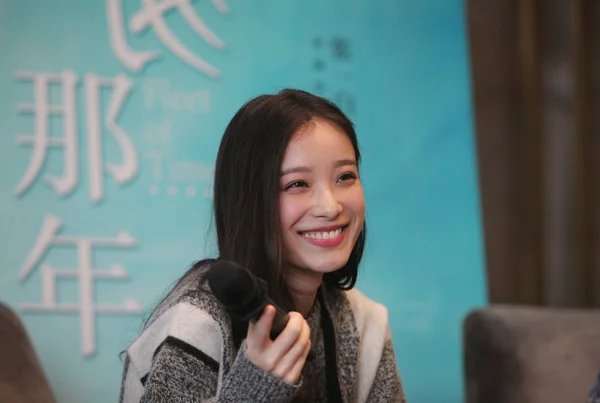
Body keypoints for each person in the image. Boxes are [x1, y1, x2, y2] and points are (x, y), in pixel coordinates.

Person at [119, 89, 406, 402]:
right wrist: (254, 388)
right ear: (250, 201)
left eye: (345, 177)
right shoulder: (197, 326)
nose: (330, 206)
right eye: (297, 184)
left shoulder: (364, 323)